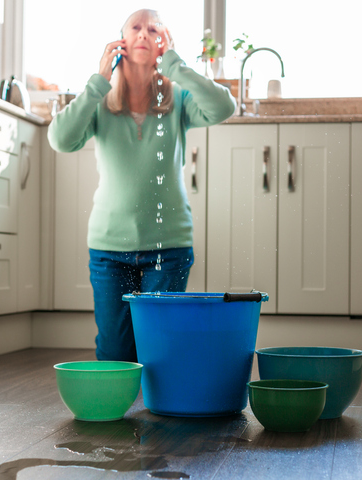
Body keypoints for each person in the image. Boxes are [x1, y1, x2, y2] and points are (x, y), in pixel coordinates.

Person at [47, 9, 236, 362]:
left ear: (164, 44)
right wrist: (97, 81)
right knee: (115, 355)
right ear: (120, 42)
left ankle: (162, 413)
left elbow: (224, 107)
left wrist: (176, 66)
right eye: (136, 27)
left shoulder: (177, 99)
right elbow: (60, 139)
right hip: (108, 248)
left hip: (168, 246)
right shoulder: (100, 101)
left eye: (154, 29)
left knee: (159, 352)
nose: (144, 34)